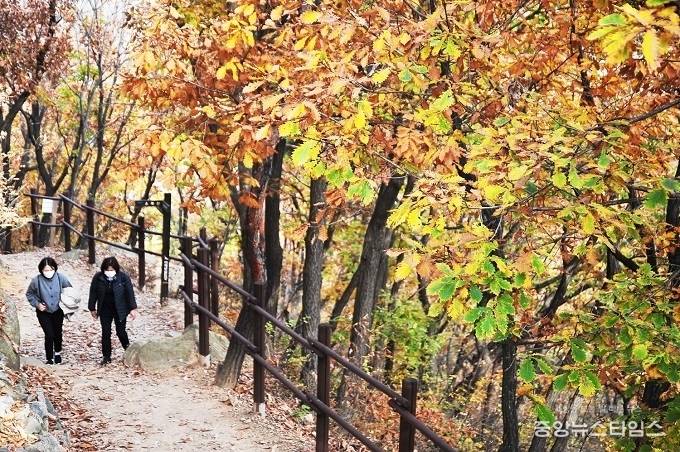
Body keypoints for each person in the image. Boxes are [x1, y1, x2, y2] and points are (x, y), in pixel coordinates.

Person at [88, 256, 138, 365]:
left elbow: (129, 293)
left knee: (121, 331)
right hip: (104, 308)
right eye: (107, 270)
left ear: (116, 269)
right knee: (106, 332)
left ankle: (128, 350)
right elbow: (93, 293)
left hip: (120, 308)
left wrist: (132, 308)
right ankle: (106, 356)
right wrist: (92, 308)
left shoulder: (123, 277)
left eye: (112, 270)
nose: (109, 272)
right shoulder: (98, 277)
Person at [25, 257, 73, 364]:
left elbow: (70, 291)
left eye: (51, 269)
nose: (48, 272)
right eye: (46, 270)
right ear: (41, 270)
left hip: (58, 310)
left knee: (58, 332)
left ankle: (58, 352)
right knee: (49, 334)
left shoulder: (61, 278)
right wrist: (37, 304)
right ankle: (49, 358)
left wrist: (67, 303)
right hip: (43, 312)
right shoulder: (36, 280)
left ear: (55, 269)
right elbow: (29, 294)